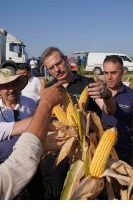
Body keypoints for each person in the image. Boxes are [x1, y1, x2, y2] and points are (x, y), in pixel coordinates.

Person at [40, 46, 116, 199]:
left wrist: (107, 95)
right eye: (51, 68)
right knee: (60, 194)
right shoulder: (49, 89)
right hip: (59, 152)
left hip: (85, 152)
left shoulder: (88, 84)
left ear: (66, 60)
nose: (57, 70)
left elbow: (109, 111)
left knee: (85, 195)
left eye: (59, 63)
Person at [0, 68, 38, 162]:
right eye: (6, 86)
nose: (12, 89)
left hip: (30, 159)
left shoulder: (30, 104)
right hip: (3, 162)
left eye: (14, 84)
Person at [100, 55, 133, 165]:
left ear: (122, 72)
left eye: (113, 73)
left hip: (123, 151)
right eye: (105, 73)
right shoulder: (96, 94)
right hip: (98, 150)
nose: (109, 77)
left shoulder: (132, 96)